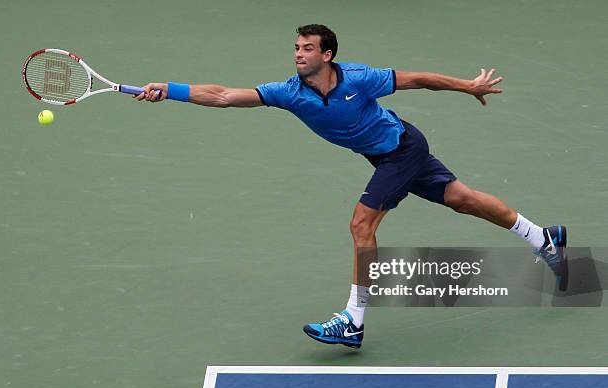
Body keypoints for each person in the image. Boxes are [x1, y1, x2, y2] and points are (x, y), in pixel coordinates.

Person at [136, 24, 567, 349]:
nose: (298, 54)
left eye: (307, 49)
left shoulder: (357, 78)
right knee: (463, 200)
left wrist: (467, 86)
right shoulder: (288, 92)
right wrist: (169, 89)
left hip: (402, 148)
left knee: (362, 225)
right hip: (387, 154)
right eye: (296, 48)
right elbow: (223, 95)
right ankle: (542, 237)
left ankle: (353, 321)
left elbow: (417, 79)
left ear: (327, 54)